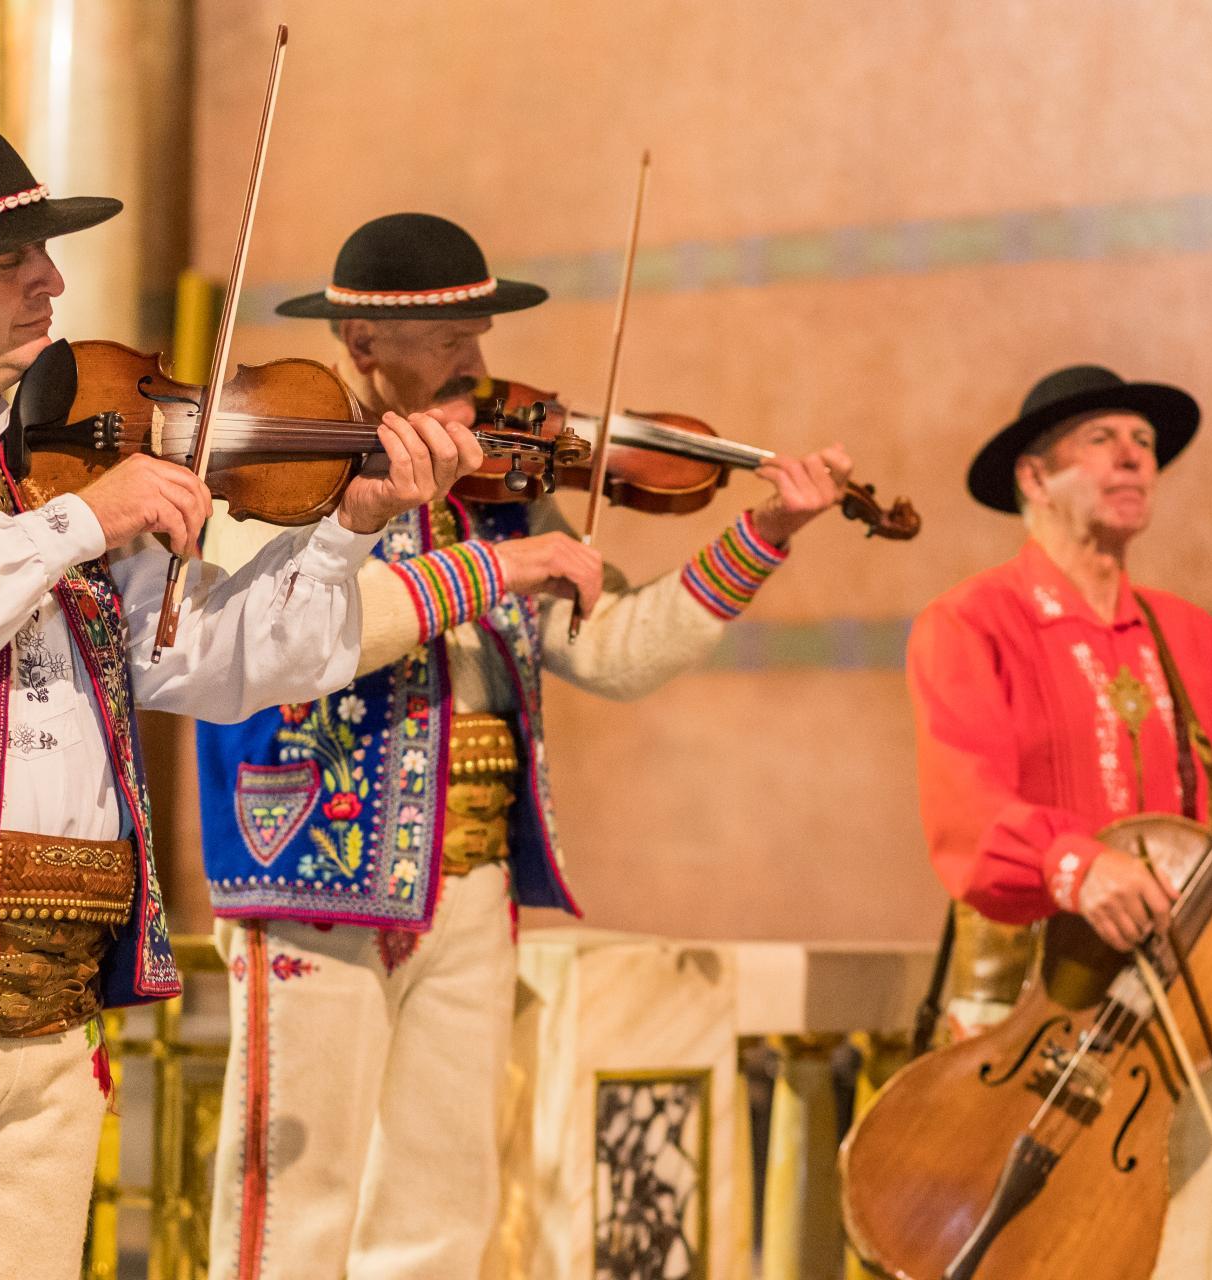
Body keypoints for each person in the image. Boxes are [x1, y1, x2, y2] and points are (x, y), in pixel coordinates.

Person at [0, 114, 479, 1280]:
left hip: (59, 1000)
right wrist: (77, 523)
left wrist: (346, 535)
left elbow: (214, 661)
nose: (49, 281)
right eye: (5, 261)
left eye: (44, 255)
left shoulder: (60, 452)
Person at [195, 211, 853, 1278]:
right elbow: (293, 637)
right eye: (453, 338)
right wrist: (498, 569)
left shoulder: (492, 498)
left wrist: (761, 535)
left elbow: (614, 651)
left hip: (470, 877)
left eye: (480, 334)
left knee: (443, 1202)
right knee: (292, 1204)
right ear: (364, 346)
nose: (481, 365)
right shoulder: (279, 465)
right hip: (309, 864)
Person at [907, 364, 1212, 1043]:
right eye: (1101, 438)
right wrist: (1079, 866)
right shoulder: (971, 621)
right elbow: (969, 814)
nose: (1136, 454)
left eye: (1144, 440)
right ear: (1035, 479)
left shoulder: (1190, 632)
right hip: (1027, 1010)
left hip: (1176, 999)